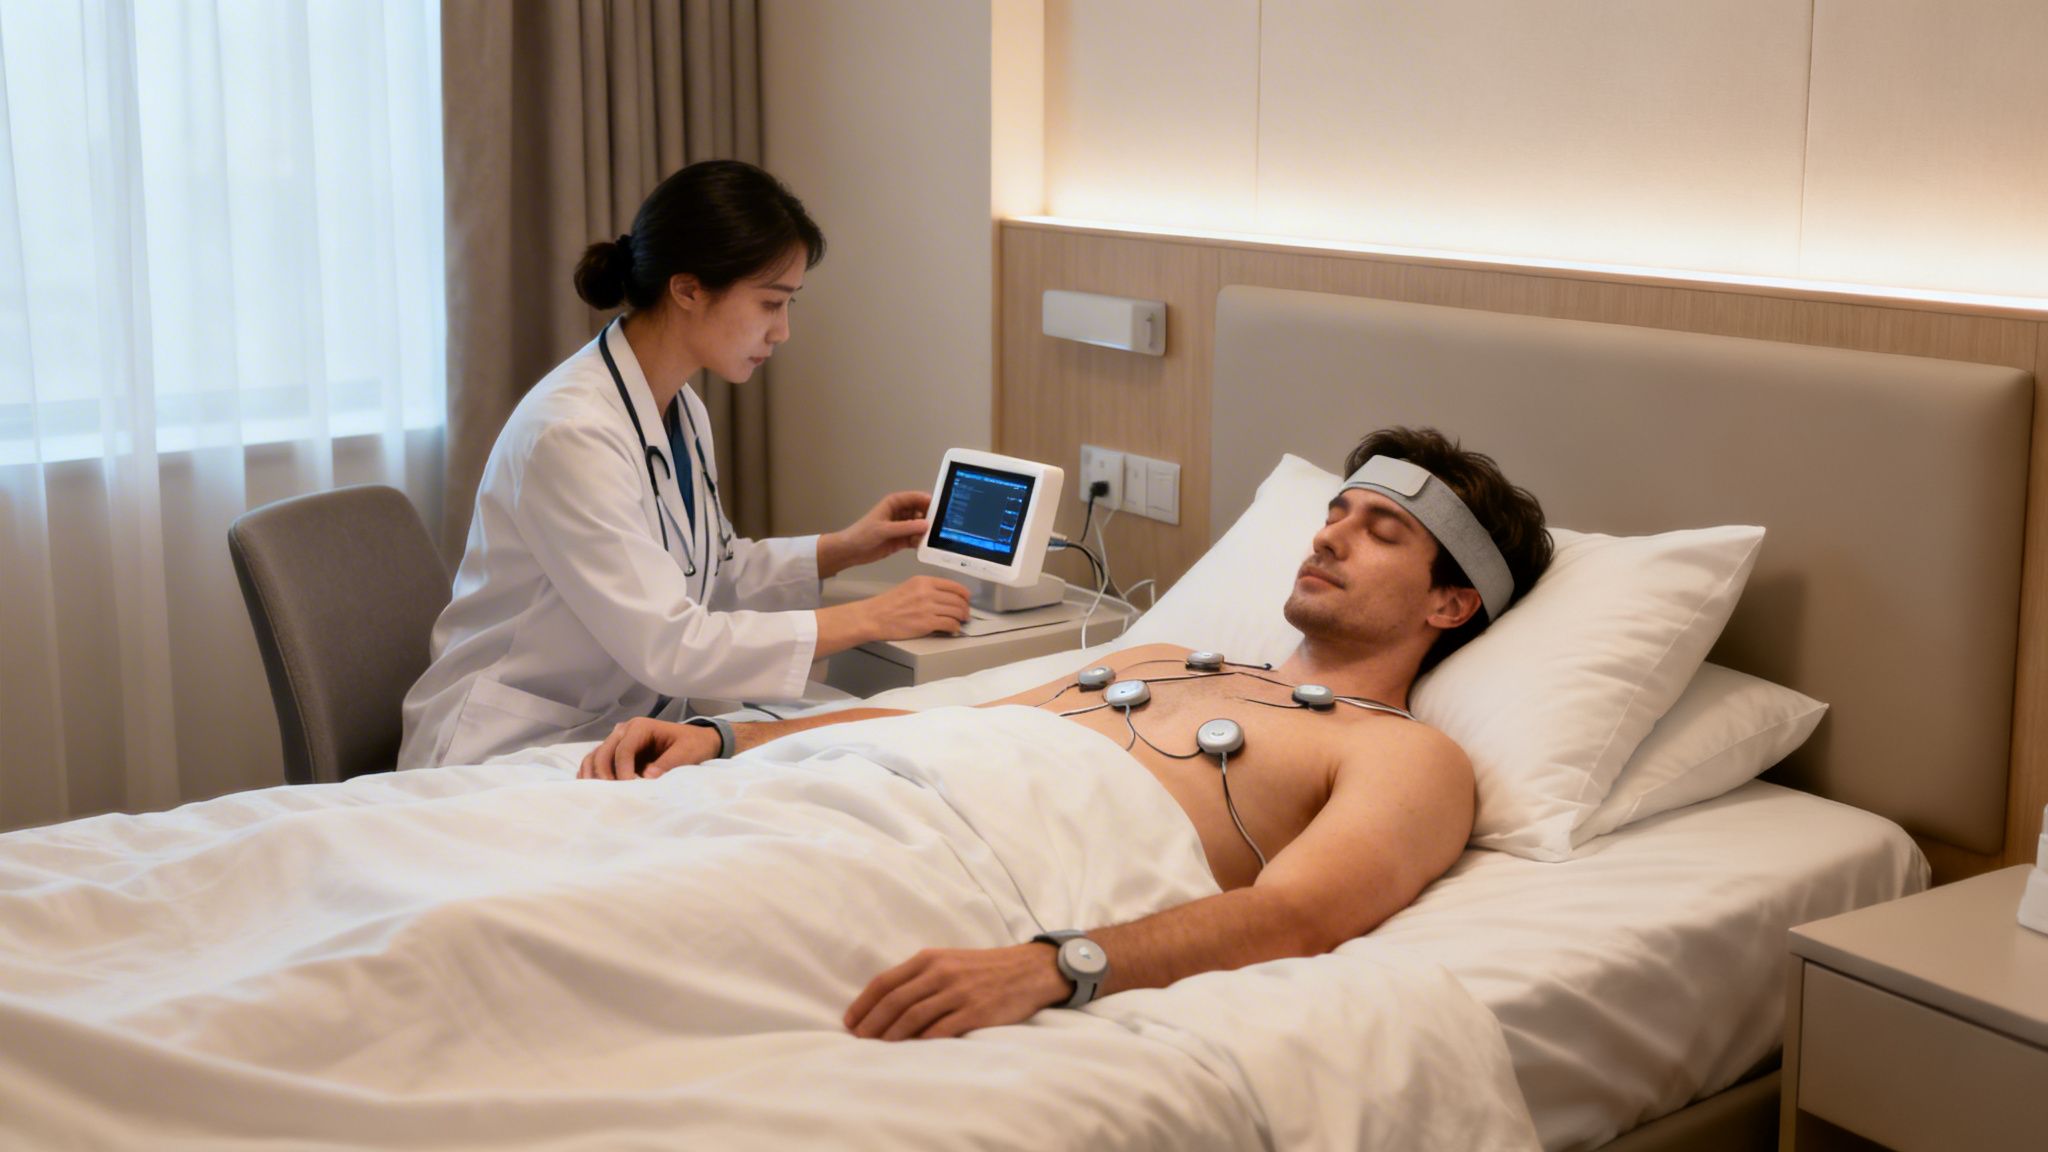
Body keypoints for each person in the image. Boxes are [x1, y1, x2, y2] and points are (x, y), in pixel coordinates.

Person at [579, 426, 1553, 1041]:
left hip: (948, 872)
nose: (1327, 536)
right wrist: (730, 741)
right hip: (854, 793)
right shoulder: (1162, 654)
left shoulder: (1404, 755)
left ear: (1451, 603)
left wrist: (1055, 964)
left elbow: (1295, 918)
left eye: (1381, 533)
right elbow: (956, 723)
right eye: (1334, 512)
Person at [400, 161, 972, 771]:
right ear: (689, 289)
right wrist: (872, 616)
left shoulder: (679, 409)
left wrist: (843, 548)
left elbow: (711, 573)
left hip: (611, 725)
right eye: (770, 303)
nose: (781, 331)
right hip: (507, 745)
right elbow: (670, 645)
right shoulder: (572, 434)